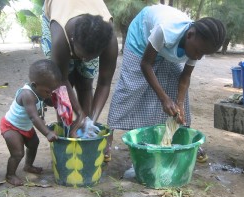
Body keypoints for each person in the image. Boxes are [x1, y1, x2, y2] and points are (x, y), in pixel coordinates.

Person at [107, 4, 226, 162]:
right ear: (189, 35)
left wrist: (180, 103)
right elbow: (146, 64)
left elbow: (185, 77)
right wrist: (164, 99)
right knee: (131, 87)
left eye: (203, 54)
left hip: (164, 48)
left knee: (173, 84)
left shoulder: (198, 44)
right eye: (198, 52)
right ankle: (107, 139)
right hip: (141, 39)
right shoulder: (166, 30)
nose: (198, 57)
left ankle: (183, 137)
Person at [41, 0, 118, 138]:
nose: (85, 60)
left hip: (87, 14)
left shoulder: (108, 39)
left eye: (91, 57)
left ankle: (84, 128)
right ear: (72, 39)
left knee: (85, 80)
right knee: (63, 83)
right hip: (58, 10)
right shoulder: (60, 36)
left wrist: (90, 121)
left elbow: (104, 83)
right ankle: (66, 130)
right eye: (81, 55)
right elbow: (61, 80)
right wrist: (78, 114)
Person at [0, 59, 62, 186]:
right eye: (47, 91)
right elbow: (34, 117)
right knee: (17, 153)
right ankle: (10, 175)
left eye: (52, 91)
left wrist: (57, 101)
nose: (49, 94)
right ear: (35, 85)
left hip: (25, 127)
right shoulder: (27, 94)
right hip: (11, 126)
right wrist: (48, 133)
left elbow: (48, 101)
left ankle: (28, 165)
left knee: (34, 143)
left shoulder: (41, 91)